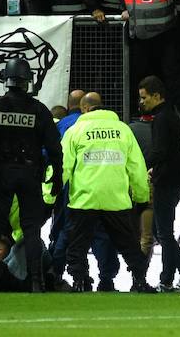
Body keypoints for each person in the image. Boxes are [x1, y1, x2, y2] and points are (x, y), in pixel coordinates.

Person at [0, 57, 62, 292]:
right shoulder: (38, 109)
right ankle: (36, 281)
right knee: (31, 229)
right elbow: (54, 147)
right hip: (30, 173)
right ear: (28, 81)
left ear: (6, 81)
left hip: (1, 173)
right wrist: (57, 175)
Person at [60, 92, 154, 292]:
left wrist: (50, 194)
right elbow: (136, 167)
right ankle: (139, 281)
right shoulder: (123, 130)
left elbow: (63, 166)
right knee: (129, 244)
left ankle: (79, 282)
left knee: (78, 245)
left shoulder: (76, 129)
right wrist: (141, 196)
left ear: (85, 109)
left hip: (85, 198)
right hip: (116, 198)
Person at [138, 75, 180, 290]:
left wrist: (143, 166)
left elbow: (160, 151)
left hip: (166, 181)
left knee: (164, 233)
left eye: (144, 97)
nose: (142, 102)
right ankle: (167, 278)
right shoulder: (171, 115)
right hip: (174, 178)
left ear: (157, 96)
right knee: (164, 231)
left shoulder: (161, 119)